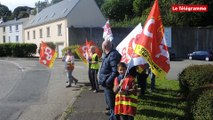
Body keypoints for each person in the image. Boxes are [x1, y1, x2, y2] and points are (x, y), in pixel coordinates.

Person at [98, 40, 121, 120]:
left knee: (112, 104)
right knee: (110, 103)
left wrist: (107, 81)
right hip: (107, 83)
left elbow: (115, 71)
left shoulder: (112, 55)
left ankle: (114, 117)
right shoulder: (110, 54)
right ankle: (112, 115)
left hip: (109, 84)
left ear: (104, 47)